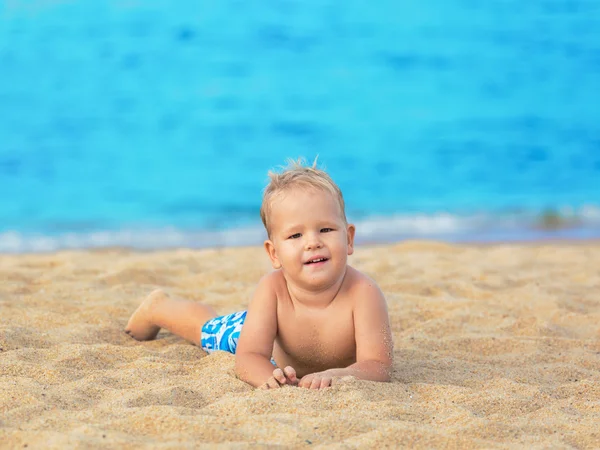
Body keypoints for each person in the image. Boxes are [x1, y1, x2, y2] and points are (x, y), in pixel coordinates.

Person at [125, 158, 394, 389]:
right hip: (261, 341)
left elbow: (378, 365)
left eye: (325, 230)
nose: (313, 242)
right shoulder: (273, 289)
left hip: (312, 364)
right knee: (207, 332)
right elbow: (249, 356)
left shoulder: (363, 293)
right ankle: (158, 307)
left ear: (349, 239)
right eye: (295, 235)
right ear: (274, 253)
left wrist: (343, 374)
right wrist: (269, 379)